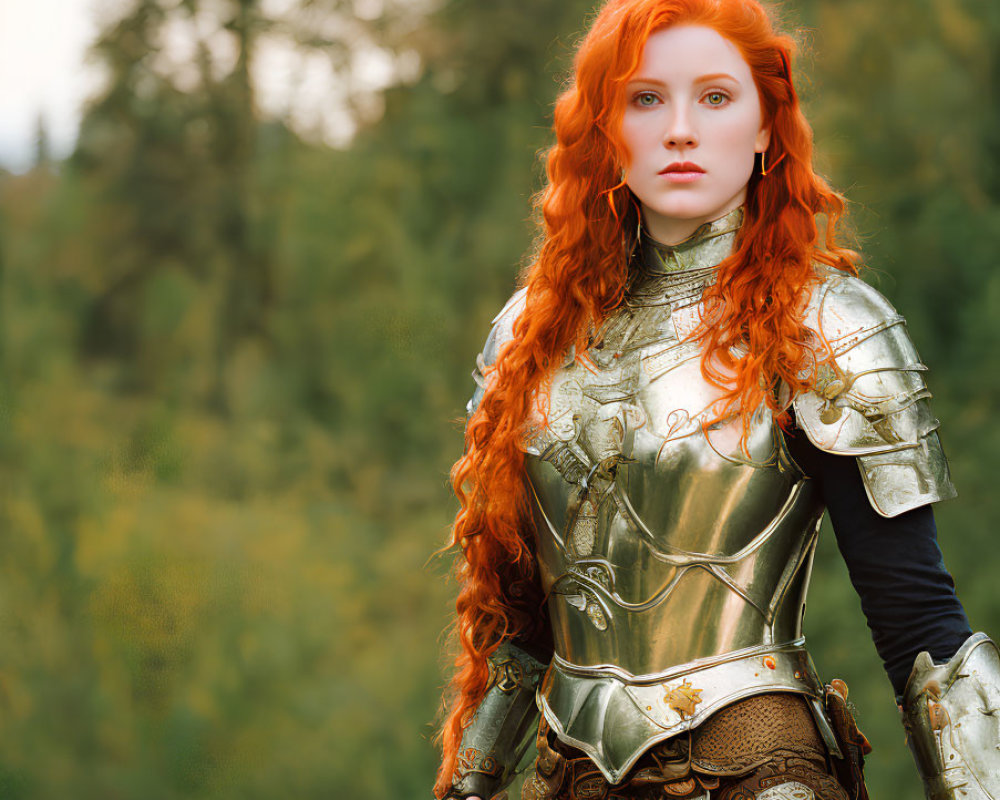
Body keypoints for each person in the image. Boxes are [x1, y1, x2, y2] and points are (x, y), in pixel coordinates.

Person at [433, 1, 1000, 798]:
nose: (680, 130)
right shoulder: (533, 333)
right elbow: (526, 626)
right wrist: (469, 780)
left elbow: (921, 632)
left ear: (767, 126)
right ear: (606, 127)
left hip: (758, 772)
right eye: (646, 98)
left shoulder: (828, 330)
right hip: (569, 778)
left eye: (716, 98)